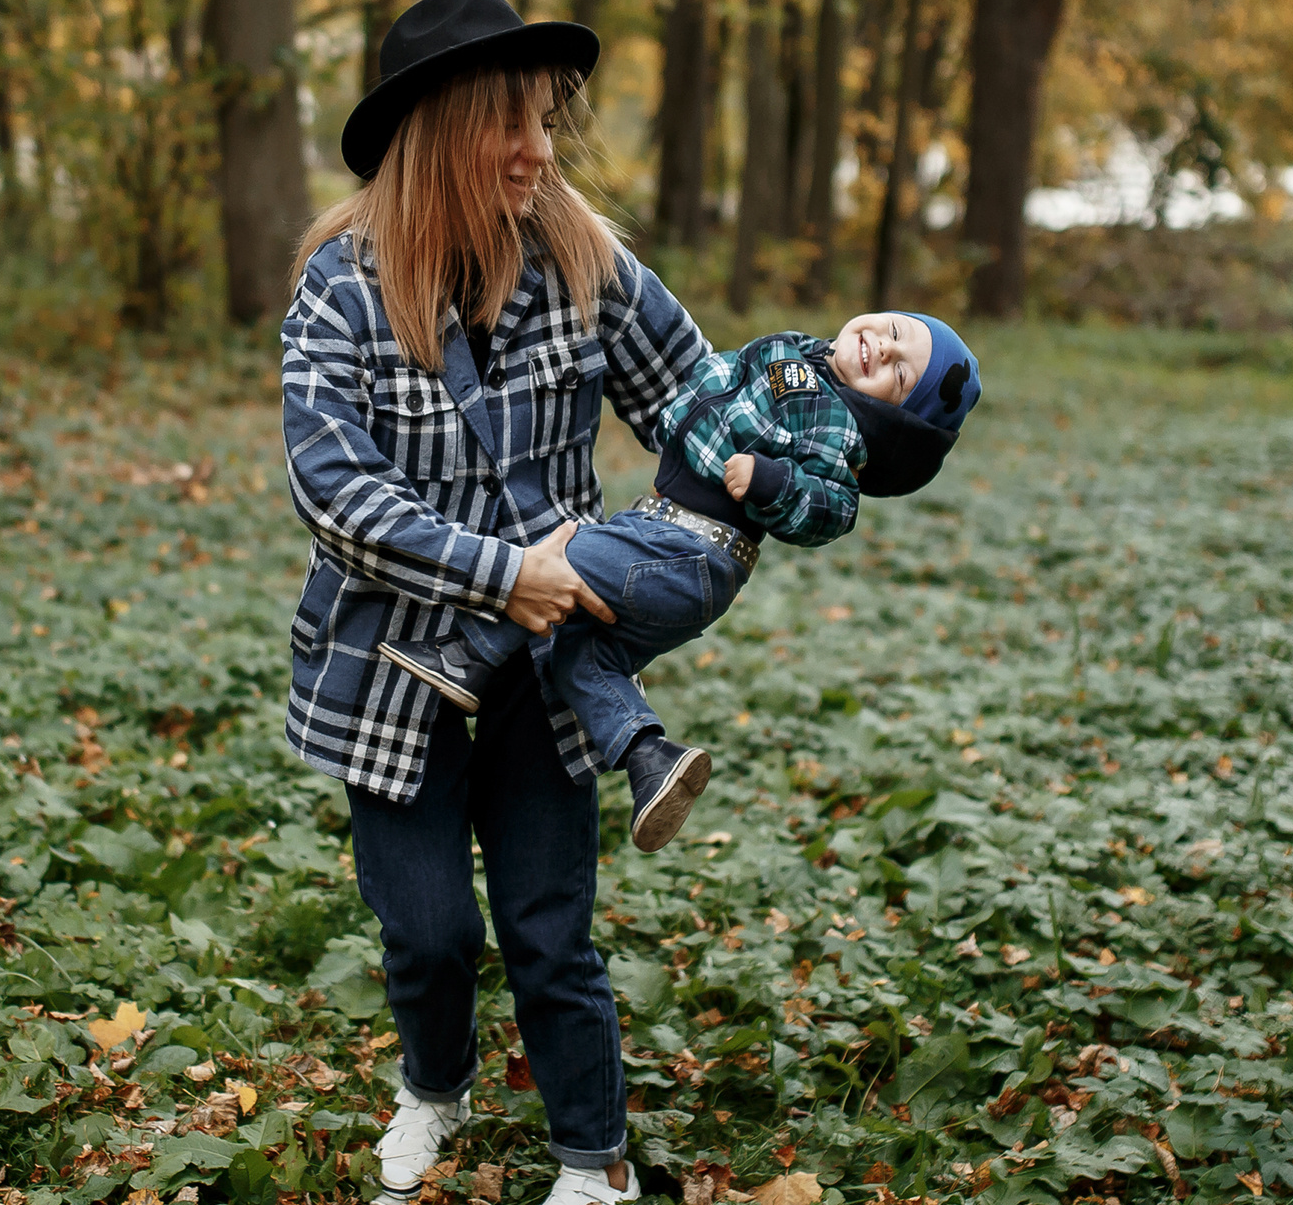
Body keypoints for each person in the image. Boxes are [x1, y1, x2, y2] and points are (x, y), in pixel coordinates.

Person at [280, 0, 712, 1205]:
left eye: (544, 120)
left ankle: (594, 1166)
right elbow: (332, 487)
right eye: (506, 124)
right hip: (389, 665)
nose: (536, 150)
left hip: (545, 663)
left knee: (546, 924)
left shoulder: (584, 264)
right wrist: (497, 570)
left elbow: (700, 411)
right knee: (425, 933)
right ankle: (435, 1088)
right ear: (436, 135)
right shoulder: (341, 289)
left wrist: (820, 433)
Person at [380, 312, 983, 852]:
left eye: (899, 374)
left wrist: (772, 482)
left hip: (692, 549)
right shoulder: (801, 352)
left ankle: (469, 655)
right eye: (894, 330)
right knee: (578, 657)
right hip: (669, 539)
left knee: (564, 555)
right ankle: (651, 759)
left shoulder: (838, 425)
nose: (884, 348)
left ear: (889, 413)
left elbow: (833, 508)